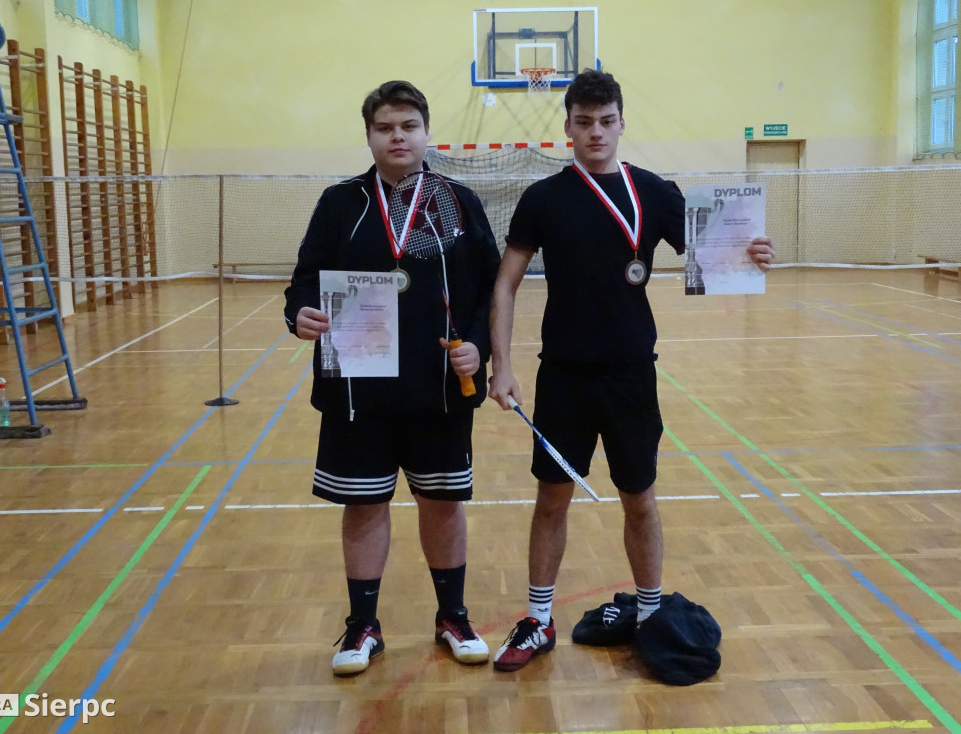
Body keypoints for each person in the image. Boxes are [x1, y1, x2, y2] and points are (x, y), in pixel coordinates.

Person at [487, 69, 774, 672]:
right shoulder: (543, 198)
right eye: (584, 122)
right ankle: (538, 619)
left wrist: (751, 253)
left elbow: (713, 253)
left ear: (622, 123)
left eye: (606, 121)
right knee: (551, 499)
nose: (596, 132)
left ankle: (648, 615)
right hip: (562, 374)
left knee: (639, 498)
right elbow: (505, 284)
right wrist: (502, 367)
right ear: (567, 127)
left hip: (631, 374)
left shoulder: (655, 192)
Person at [284, 80, 501, 676]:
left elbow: (490, 290)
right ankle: (363, 626)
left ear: (427, 133)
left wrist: (478, 346)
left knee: (443, 502)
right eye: (385, 128)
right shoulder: (340, 203)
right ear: (369, 136)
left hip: (439, 387)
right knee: (363, 505)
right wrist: (298, 313)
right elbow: (304, 280)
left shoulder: (457, 202)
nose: (397, 137)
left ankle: (453, 616)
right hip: (358, 387)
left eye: (408, 126)